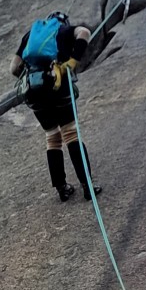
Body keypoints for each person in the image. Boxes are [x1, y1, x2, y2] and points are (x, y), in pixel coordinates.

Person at [11, 13, 102, 203]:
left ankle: (62, 188)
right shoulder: (65, 30)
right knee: (71, 134)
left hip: (34, 92)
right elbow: (84, 32)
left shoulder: (30, 36)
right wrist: (72, 60)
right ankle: (87, 186)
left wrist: (35, 77)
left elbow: (14, 68)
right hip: (58, 87)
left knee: (52, 138)